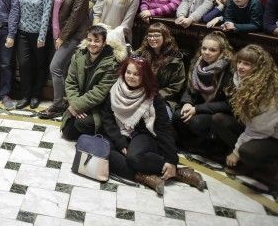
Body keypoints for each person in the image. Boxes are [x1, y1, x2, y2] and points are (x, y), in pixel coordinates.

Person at [102, 57, 204, 195]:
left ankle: (176, 171)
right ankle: (146, 178)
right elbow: (108, 119)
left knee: (133, 158)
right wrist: (120, 142)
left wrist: (171, 161)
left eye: (136, 74)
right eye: (128, 72)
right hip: (120, 132)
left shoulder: (153, 96)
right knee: (104, 152)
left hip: (144, 134)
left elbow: (164, 129)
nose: (131, 77)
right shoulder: (115, 90)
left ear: (144, 76)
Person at [215, 45, 278, 181]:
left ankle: (266, 167)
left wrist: (236, 151)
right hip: (255, 127)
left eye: (247, 64)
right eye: (239, 62)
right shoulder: (241, 79)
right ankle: (243, 160)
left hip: (272, 136)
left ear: (259, 68)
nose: (240, 67)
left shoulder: (270, 93)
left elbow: (260, 130)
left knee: (246, 151)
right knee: (219, 119)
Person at [40, 0, 91, 118]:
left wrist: (62, 37)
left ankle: (57, 104)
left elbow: (76, 15)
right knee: (63, 70)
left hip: (72, 36)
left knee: (54, 67)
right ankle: (66, 102)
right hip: (58, 35)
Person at [174, 31, 235, 153]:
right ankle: (190, 146)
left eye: (212, 50)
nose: (206, 52)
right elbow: (190, 88)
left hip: (219, 112)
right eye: (204, 48)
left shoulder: (229, 69)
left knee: (196, 122)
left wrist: (197, 109)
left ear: (222, 52)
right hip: (199, 105)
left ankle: (210, 148)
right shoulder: (197, 63)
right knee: (178, 115)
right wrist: (187, 102)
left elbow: (228, 104)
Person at [55, 25, 120, 138]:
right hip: (79, 101)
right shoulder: (78, 56)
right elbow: (71, 82)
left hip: (99, 107)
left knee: (80, 124)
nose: (92, 44)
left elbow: (100, 92)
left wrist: (76, 106)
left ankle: (104, 131)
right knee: (67, 132)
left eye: (97, 41)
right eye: (89, 40)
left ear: (104, 43)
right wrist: (74, 104)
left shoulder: (112, 63)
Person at [16, 0, 52, 110]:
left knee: (39, 65)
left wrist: (42, 36)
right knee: (24, 65)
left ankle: (36, 95)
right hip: (22, 32)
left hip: (39, 34)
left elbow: (46, 14)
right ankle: (25, 95)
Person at [134, 23, 186, 113]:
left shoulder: (175, 60)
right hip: (139, 95)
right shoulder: (141, 54)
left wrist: (153, 96)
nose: (152, 38)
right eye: (149, 36)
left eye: (156, 36)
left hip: (164, 100)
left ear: (165, 37)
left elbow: (175, 88)